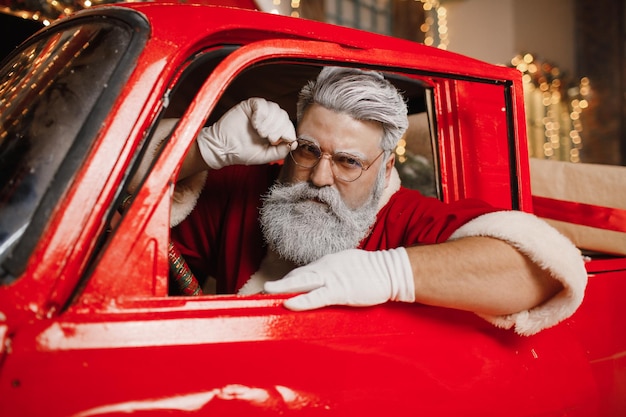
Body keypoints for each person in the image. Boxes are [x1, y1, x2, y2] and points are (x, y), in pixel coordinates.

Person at [156, 66, 586, 336]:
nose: (320, 178)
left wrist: (389, 271)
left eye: (347, 162)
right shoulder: (249, 190)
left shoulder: (408, 218)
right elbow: (127, 232)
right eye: (307, 150)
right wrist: (200, 150)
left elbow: (538, 269)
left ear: (384, 169)